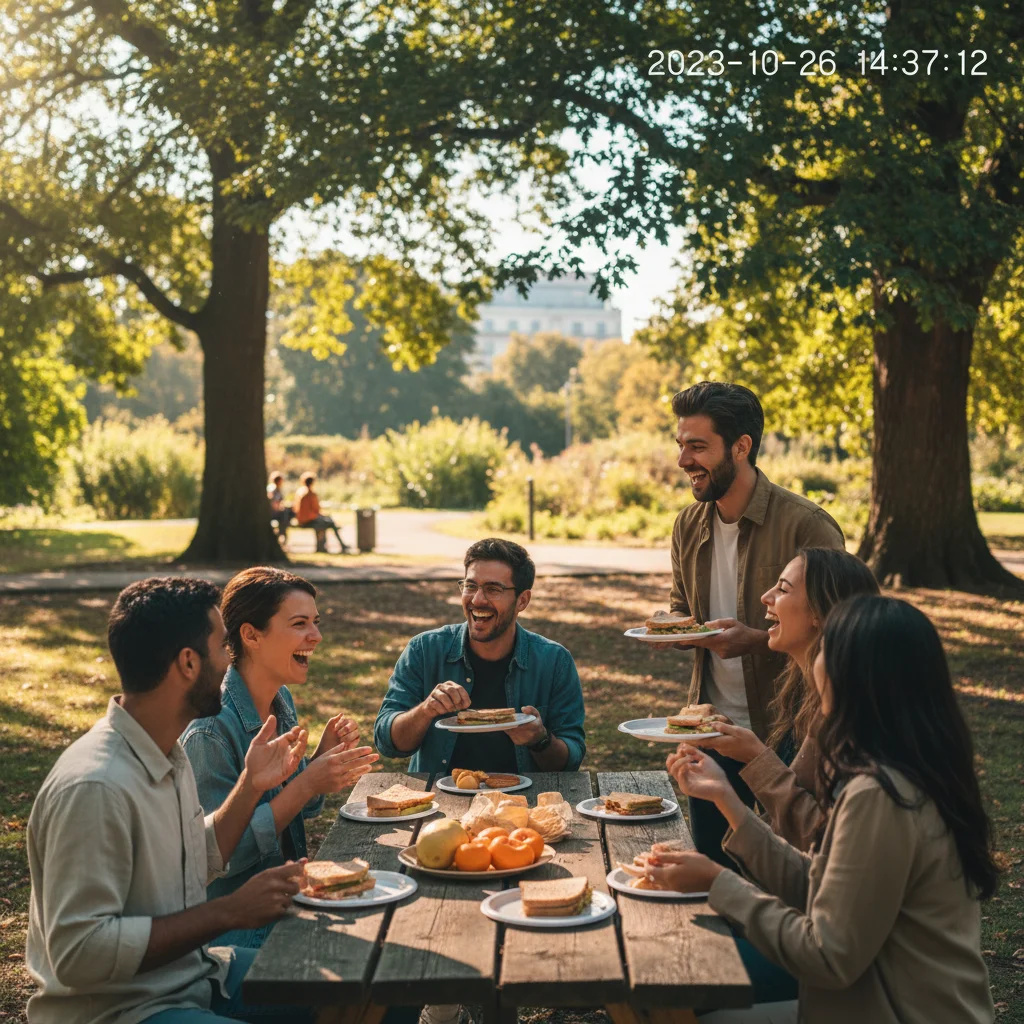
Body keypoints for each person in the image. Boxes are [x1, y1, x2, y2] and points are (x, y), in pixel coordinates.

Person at [652, 595, 998, 1024]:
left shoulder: (881, 794)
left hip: (896, 1011)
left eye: (826, 650)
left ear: (852, 676)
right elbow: (821, 886)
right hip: (867, 1002)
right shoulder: (908, 769)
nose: (815, 662)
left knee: (668, 1004)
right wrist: (729, 800)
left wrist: (718, 881)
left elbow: (827, 955)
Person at [25, 577, 315, 1024]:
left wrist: (252, 784)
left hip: (196, 976)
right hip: (125, 1010)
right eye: (222, 647)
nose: (229, 662)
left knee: (357, 984)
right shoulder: (94, 786)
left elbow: (194, 857)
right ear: (187, 662)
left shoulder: (166, 752)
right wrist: (228, 911)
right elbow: (78, 952)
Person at [660, 381, 845, 864]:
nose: (683, 460)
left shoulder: (806, 525)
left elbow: (841, 633)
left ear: (741, 447)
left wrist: (757, 640)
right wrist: (673, 626)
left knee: (793, 860)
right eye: (681, 445)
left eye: (697, 446)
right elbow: (682, 605)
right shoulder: (687, 524)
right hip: (709, 724)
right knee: (714, 860)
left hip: (790, 726)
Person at [183, 566, 380, 947]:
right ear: (251, 635)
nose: (316, 636)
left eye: (316, 622)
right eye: (299, 623)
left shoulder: (279, 700)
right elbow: (223, 859)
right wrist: (306, 783)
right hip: (236, 933)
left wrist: (320, 762)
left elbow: (296, 811)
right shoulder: (210, 732)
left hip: (291, 896)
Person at [692, 547, 879, 852]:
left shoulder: (849, 713)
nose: (766, 597)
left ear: (819, 613)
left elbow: (817, 837)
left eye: (783, 588)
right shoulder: (802, 692)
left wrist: (755, 756)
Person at [374, 538, 586, 777]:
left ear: (522, 600)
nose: (477, 600)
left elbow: (570, 761)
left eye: (493, 589)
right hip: (441, 802)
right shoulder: (424, 650)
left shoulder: (554, 661)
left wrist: (540, 739)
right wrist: (426, 710)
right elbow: (387, 742)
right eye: (470, 585)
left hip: (524, 803)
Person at [293, 472, 348, 553]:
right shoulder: (311, 494)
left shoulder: (299, 492)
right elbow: (316, 510)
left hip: (300, 519)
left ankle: (324, 546)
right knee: (329, 523)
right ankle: (340, 545)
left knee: (326, 521)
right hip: (308, 520)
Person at [267, 472, 293, 541]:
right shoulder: (273, 490)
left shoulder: (276, 489)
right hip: (274, 513)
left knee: (288, 512)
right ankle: (281, 533)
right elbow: (273, 503)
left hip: (277, 511)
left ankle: (282, 533)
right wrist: (280, 508)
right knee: (286, 513)